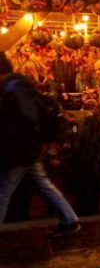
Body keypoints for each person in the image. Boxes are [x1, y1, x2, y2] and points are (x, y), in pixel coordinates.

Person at [0, 53, 80, 236]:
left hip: (20, 148)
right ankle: (70, 220)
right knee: (42, 183)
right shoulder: (14, 86)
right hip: (27, 147)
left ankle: (70, 220)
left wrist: (17, 138)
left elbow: (29, 117)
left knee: (3, 189)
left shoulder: (13, 87)